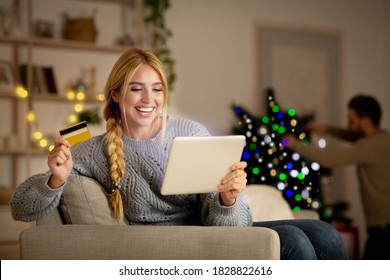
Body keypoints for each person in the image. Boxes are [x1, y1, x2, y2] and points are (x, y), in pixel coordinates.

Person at [10, 48, 346, 260]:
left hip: (212, 228)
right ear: (115, 93)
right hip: (176, 241)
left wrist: (228, 200)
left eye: (156, 89)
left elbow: (231, 225)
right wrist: (55, 178)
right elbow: (20, 209)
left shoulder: (190, 133)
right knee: (294, 244)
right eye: (135, 88)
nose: (148, 99)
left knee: (325, 234)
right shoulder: (94, 150)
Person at [283, 94, 390, 260]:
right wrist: (326, 129)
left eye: (352, 120)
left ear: (366, 122)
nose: (348, 125)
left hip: (383, 231)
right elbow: (353, 135)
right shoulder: (382, 139)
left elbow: (330, 160)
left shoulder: (369, 146)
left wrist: (295, 144)